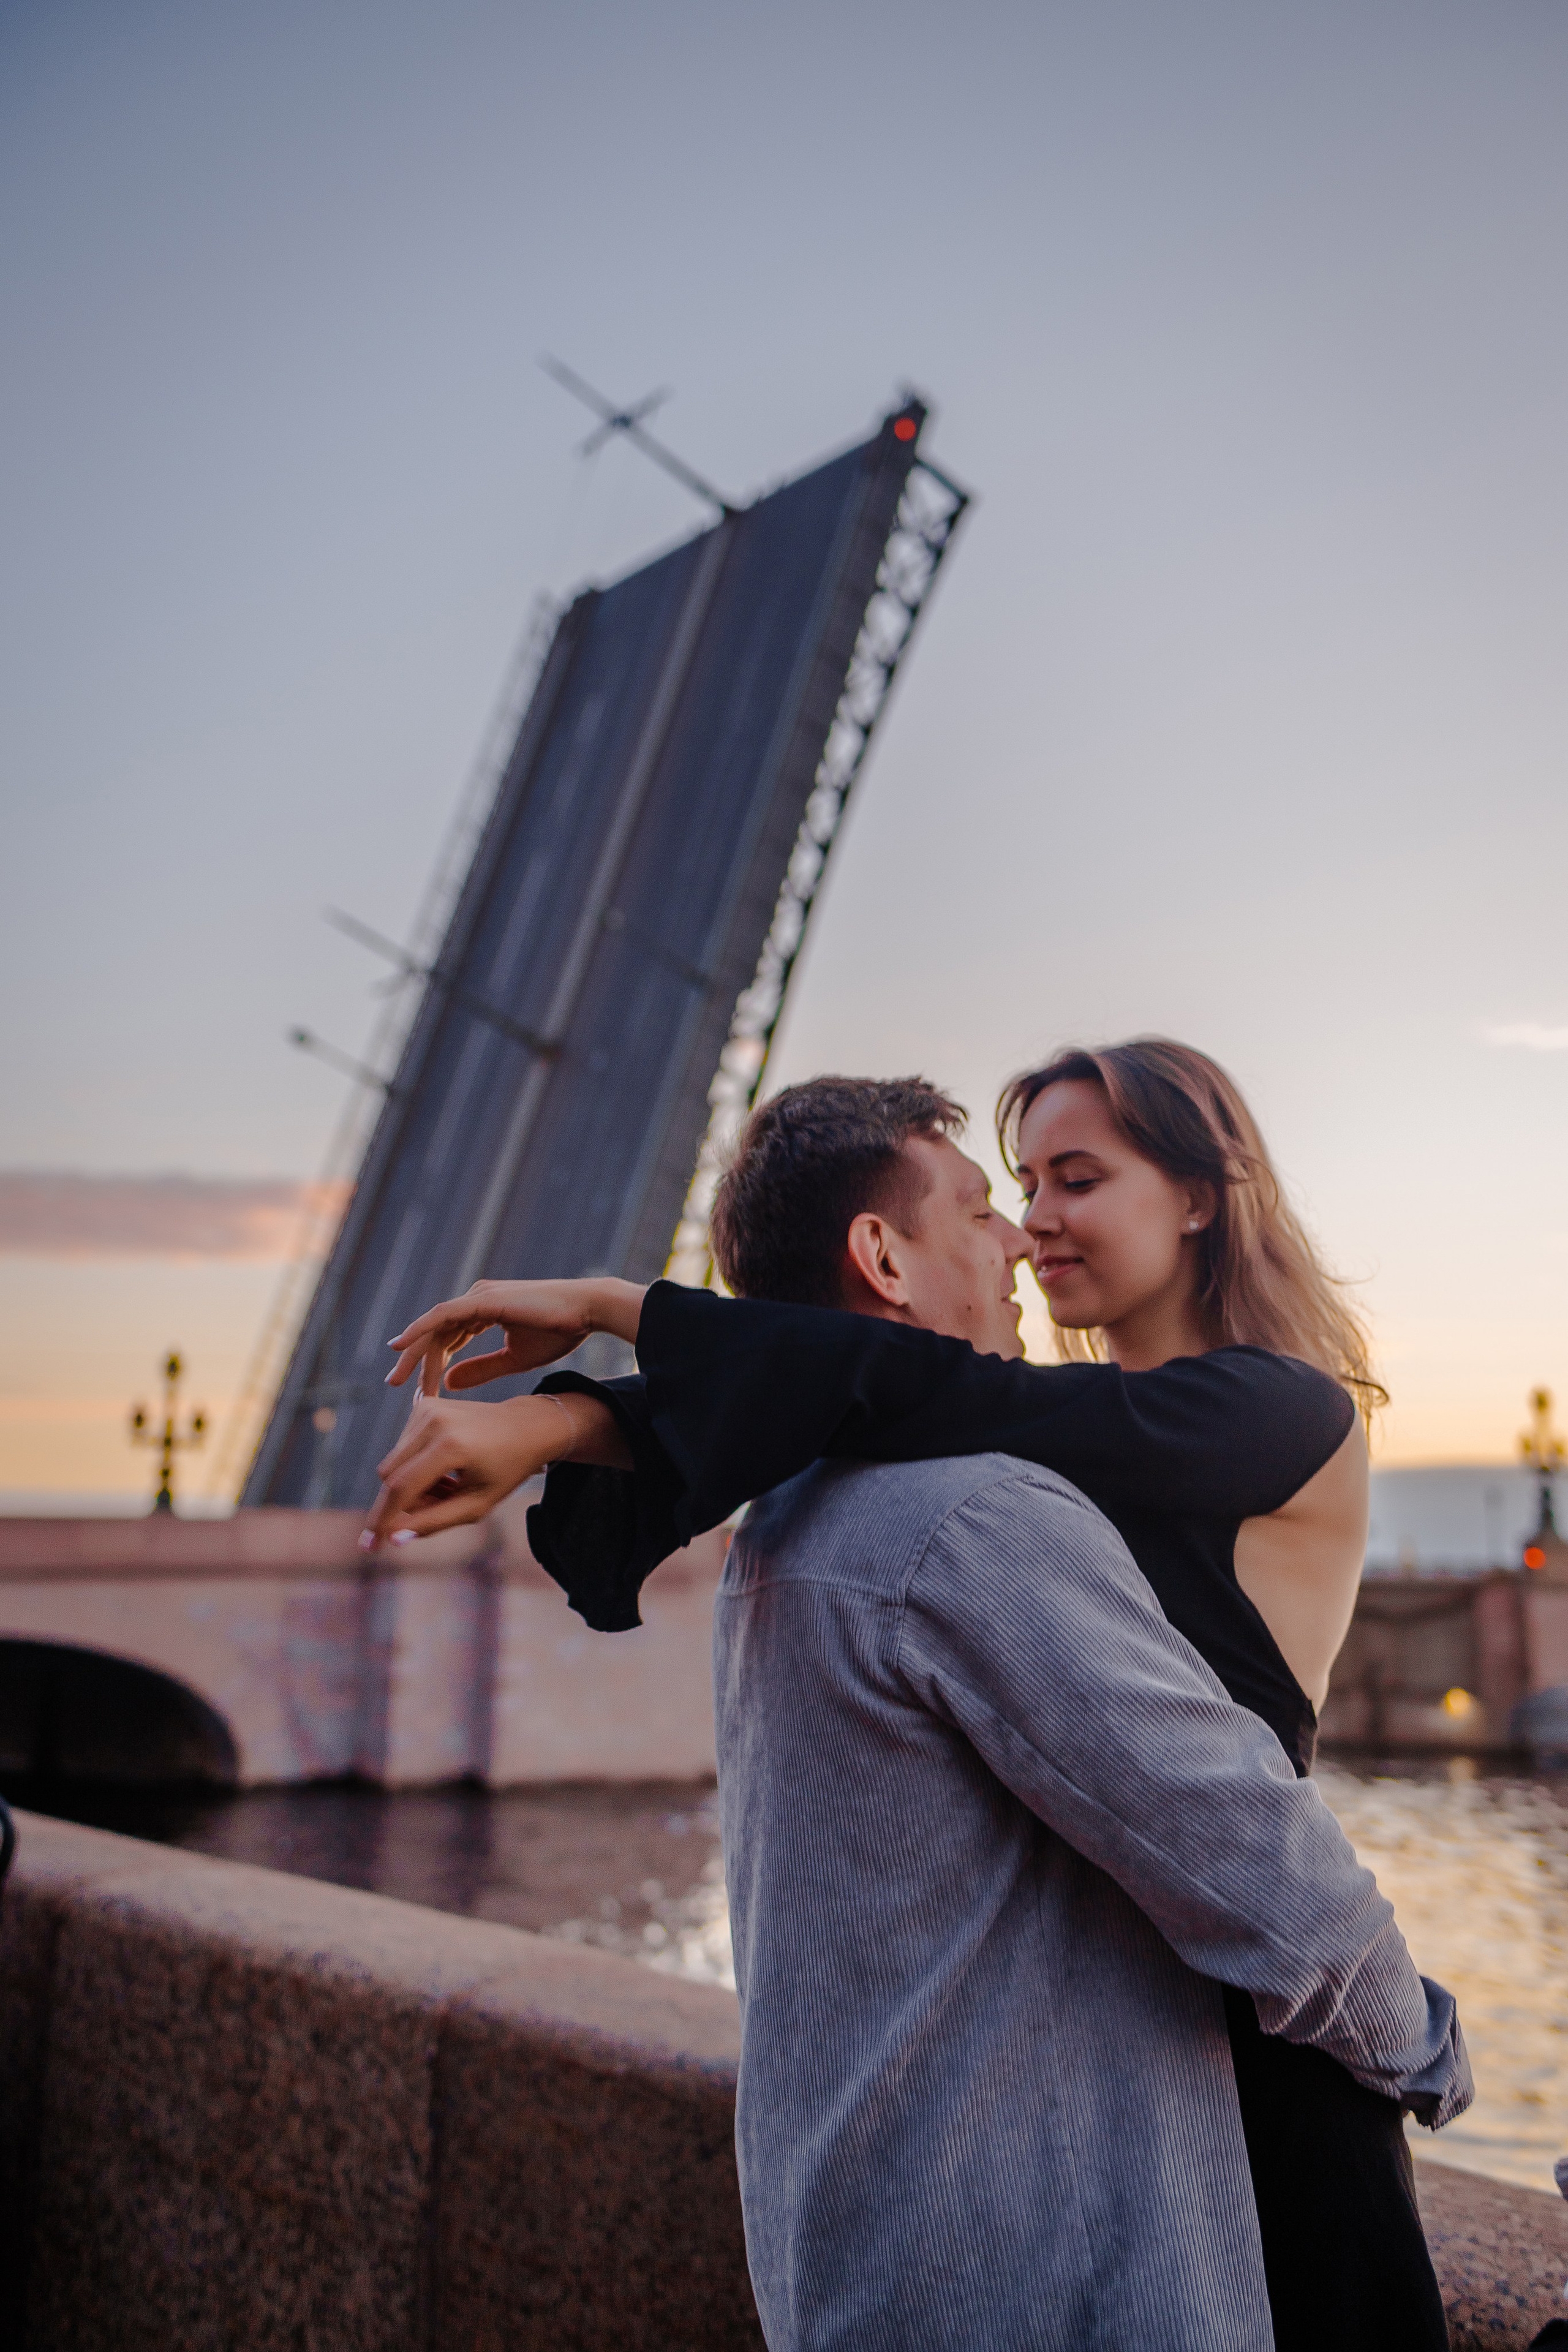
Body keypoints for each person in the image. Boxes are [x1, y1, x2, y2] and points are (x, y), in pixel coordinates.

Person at [369, 1052, 1464, 2349]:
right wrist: (566, 1421)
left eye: (1078, 1178)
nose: (1031, 1220)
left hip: (1272, 2053)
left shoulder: (1271, 1410)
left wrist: (610, 1331)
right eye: (1014, 1188)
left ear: (1196, 1199)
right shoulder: (992, 1476)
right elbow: (868, 1393)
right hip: (1144, 2073)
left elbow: (908, 1388)